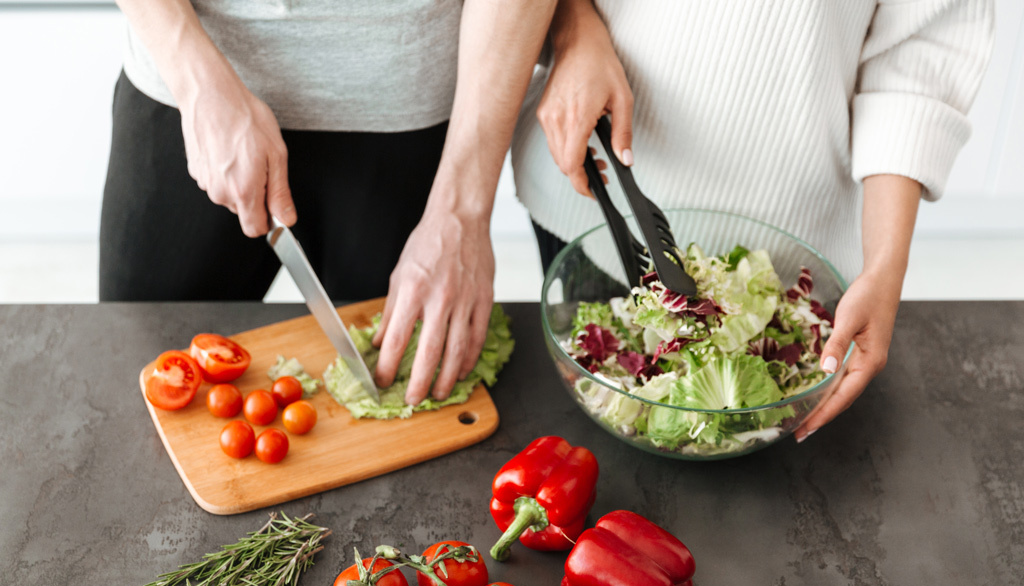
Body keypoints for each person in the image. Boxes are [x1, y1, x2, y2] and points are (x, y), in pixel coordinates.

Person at [511, 0, 994, 441]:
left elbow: (919, 55)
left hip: (795, 263)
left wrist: (885, 266)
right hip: (591, 198)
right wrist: (572, 26)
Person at [101, 0, 555, 406]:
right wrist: (195, 82)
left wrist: (463, 210)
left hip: (411, 118)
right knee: (133, 377)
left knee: (404, 411)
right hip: (192, 99)